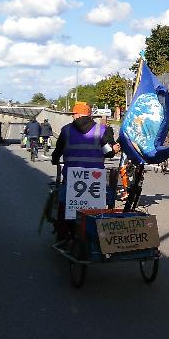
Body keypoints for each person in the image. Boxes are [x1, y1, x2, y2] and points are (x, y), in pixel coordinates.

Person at [50, 102, 119, 239]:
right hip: (95, 180)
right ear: (89, 114)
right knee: (98, 208)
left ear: (75, 115)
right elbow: (108, 152)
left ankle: (63, 235)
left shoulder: (66, 130)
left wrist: (55, 160)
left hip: (72, 178)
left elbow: (57, 152)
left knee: (64, 205)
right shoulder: (100, 130)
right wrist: (114, 150)